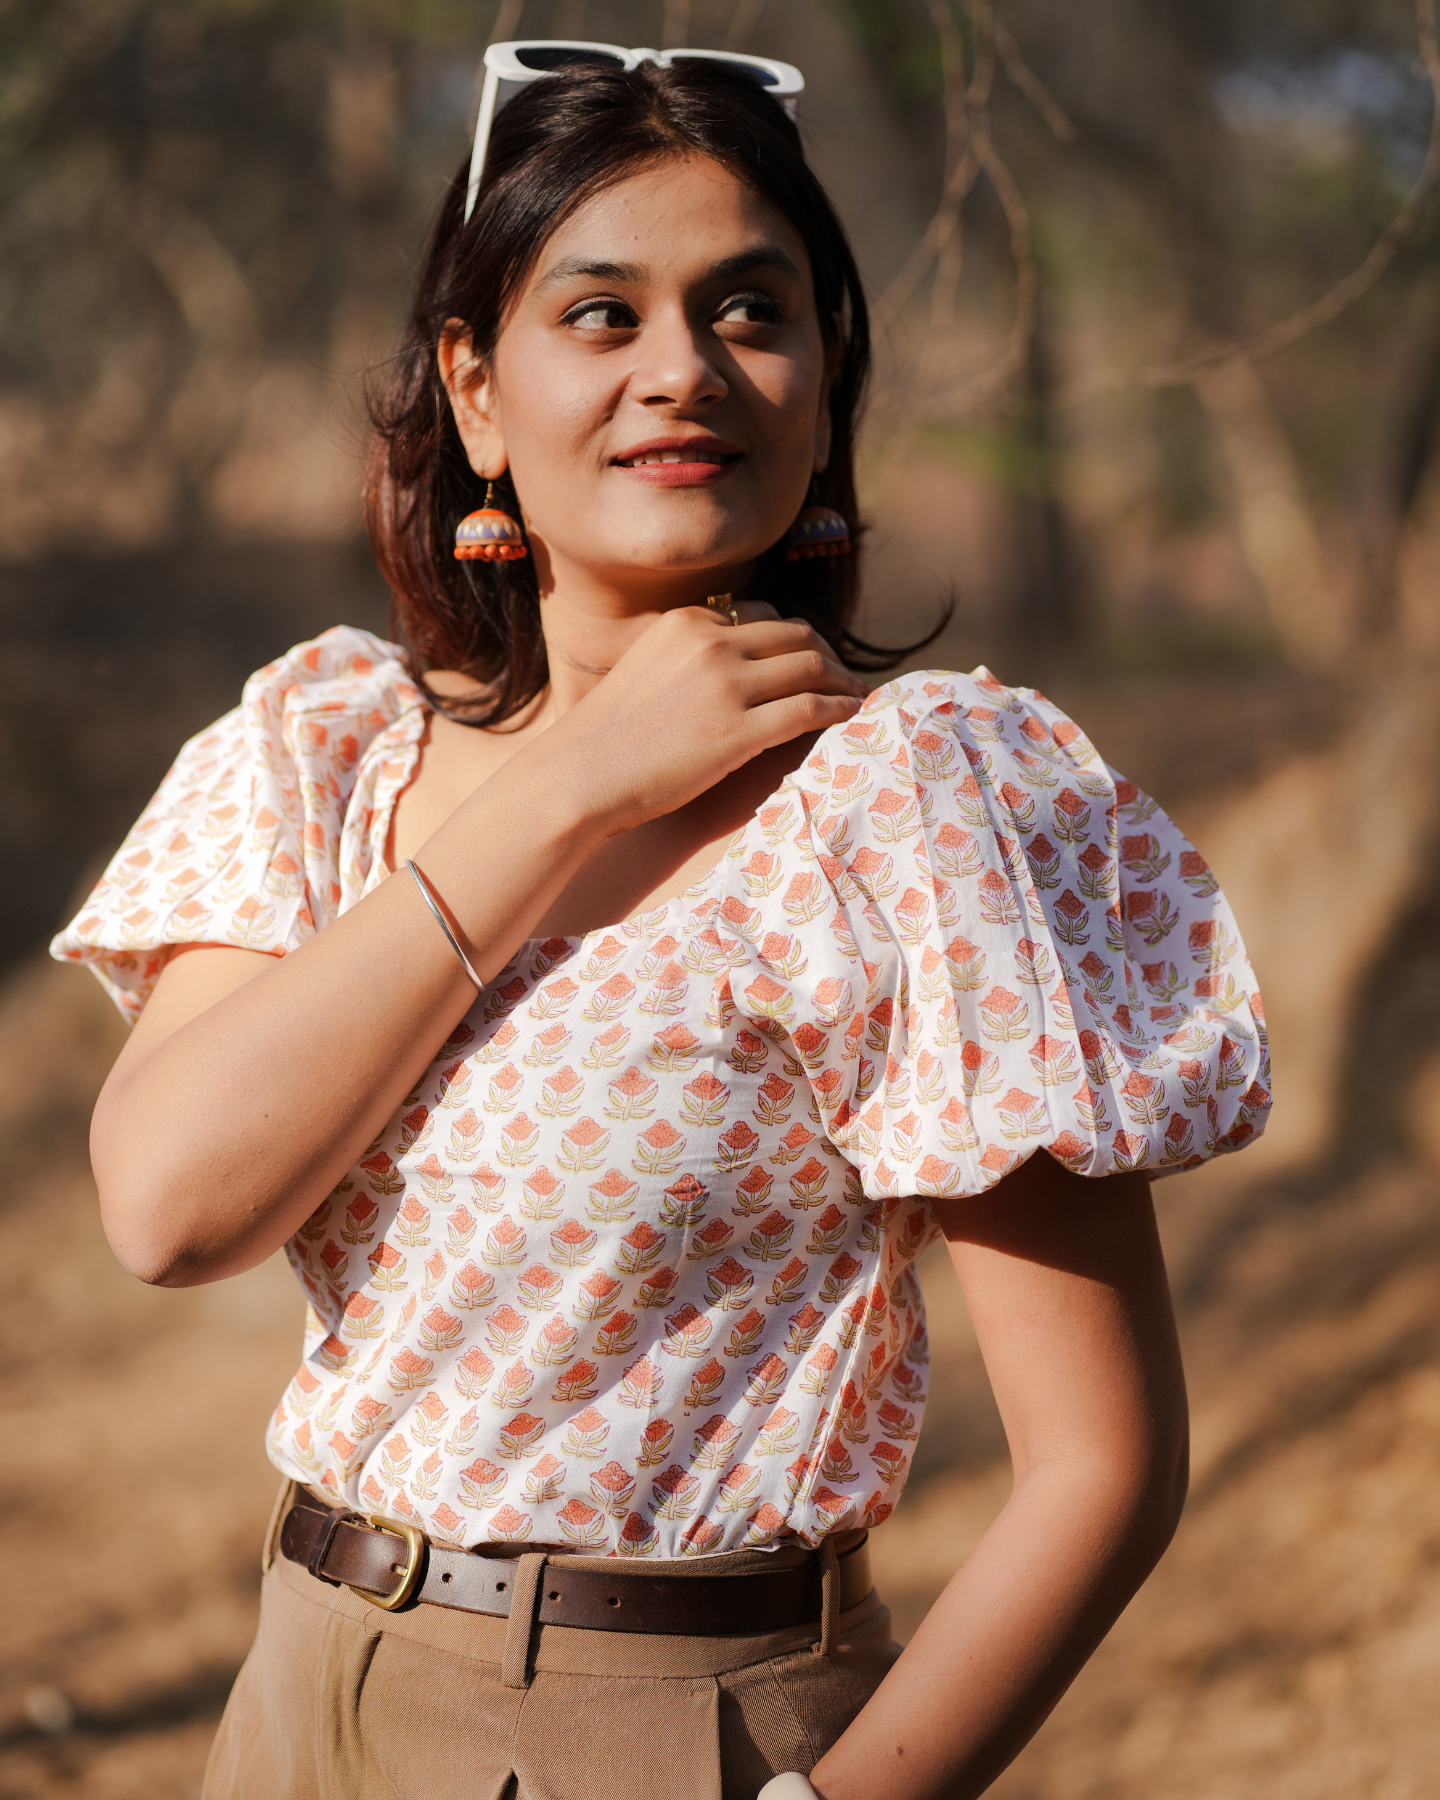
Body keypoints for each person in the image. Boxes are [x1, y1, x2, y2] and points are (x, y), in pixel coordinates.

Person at [53, 44, 1271, 1800]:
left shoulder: (914, 814)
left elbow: (1105, 1468)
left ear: (823, 379)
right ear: (476, 391)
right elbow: (169, 1208)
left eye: (749, 311)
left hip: (651, 1727)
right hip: (289, 1696)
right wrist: (573, 782)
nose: (682, 371)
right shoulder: (319, 749)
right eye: (601, 315)